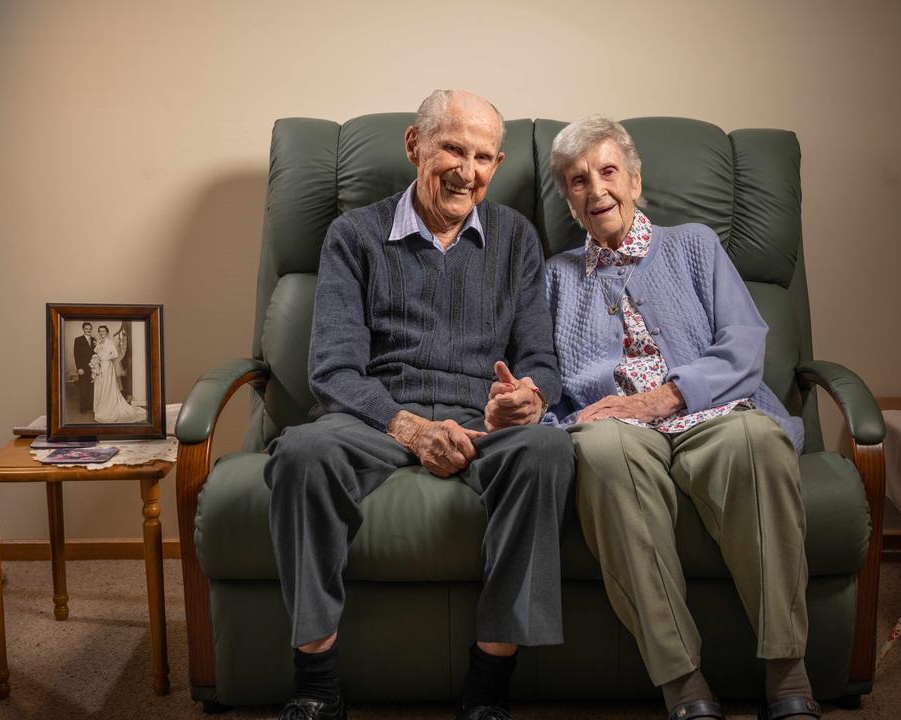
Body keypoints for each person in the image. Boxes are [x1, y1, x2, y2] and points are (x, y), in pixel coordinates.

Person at [263, 90, 575, 720]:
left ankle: (489, 685)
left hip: (481, 420)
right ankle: (317, 685)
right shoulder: (353, 236)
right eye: (454, 149)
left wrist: (527, 398)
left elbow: (541, 361)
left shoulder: (516, 239)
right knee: (301, 450)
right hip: (380, 414)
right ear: (414, 146)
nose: (469, 170)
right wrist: (409, 427)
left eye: (485, 156)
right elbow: (332, 370)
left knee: (546, 448)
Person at [542, 116, 819, 720]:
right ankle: (684, 683)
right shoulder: (555, 277)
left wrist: (665, 396)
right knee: (605, 454)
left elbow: (744, 343)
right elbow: (541, 380)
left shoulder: (694, 244)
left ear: (635, 180)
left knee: (758, 444)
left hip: (710, 410)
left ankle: (786, 671)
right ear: (567, 199)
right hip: (612, 425)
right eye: (577, 181)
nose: (596, 191)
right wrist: (537, 414)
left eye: (608, 172)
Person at [92, 325, 147, 424]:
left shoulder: (110, 342)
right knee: (100, 387)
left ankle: (107, 408)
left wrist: (106, 357)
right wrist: (97, 360)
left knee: (107, 387)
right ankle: (99, 407)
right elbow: (95, 352)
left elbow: (115, 354)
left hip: (107, 367)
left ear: (107, 332)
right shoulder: (99, 342)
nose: (101, 333)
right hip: (99, 368)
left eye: (103, 331)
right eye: (100, 331)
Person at [73, 322, 96, 414]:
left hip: (92, 367)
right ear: (83, 329)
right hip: (82, 368)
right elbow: (76, 355)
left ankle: (90, 405)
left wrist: (96, 366)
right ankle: (83, 408)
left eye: (90, 328)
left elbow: (95, 354)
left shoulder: (94, 339)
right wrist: (79, 368)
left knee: (91, 387)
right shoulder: (78, 339)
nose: (88, 330)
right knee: (83, 387)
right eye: (86, 328)